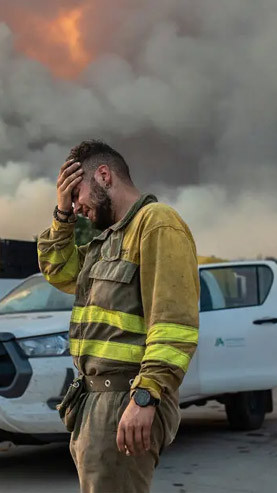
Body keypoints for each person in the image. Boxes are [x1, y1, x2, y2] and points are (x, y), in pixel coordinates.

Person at [37, 140, 200, 493]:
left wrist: (146, 396)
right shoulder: (108, 241)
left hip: (126, 400)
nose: (77, 206)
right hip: (96, 403)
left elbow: (174, 326)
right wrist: (61, 215)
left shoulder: (157, 224)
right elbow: (58, 270)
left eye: (76, 193)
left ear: (104, 176)